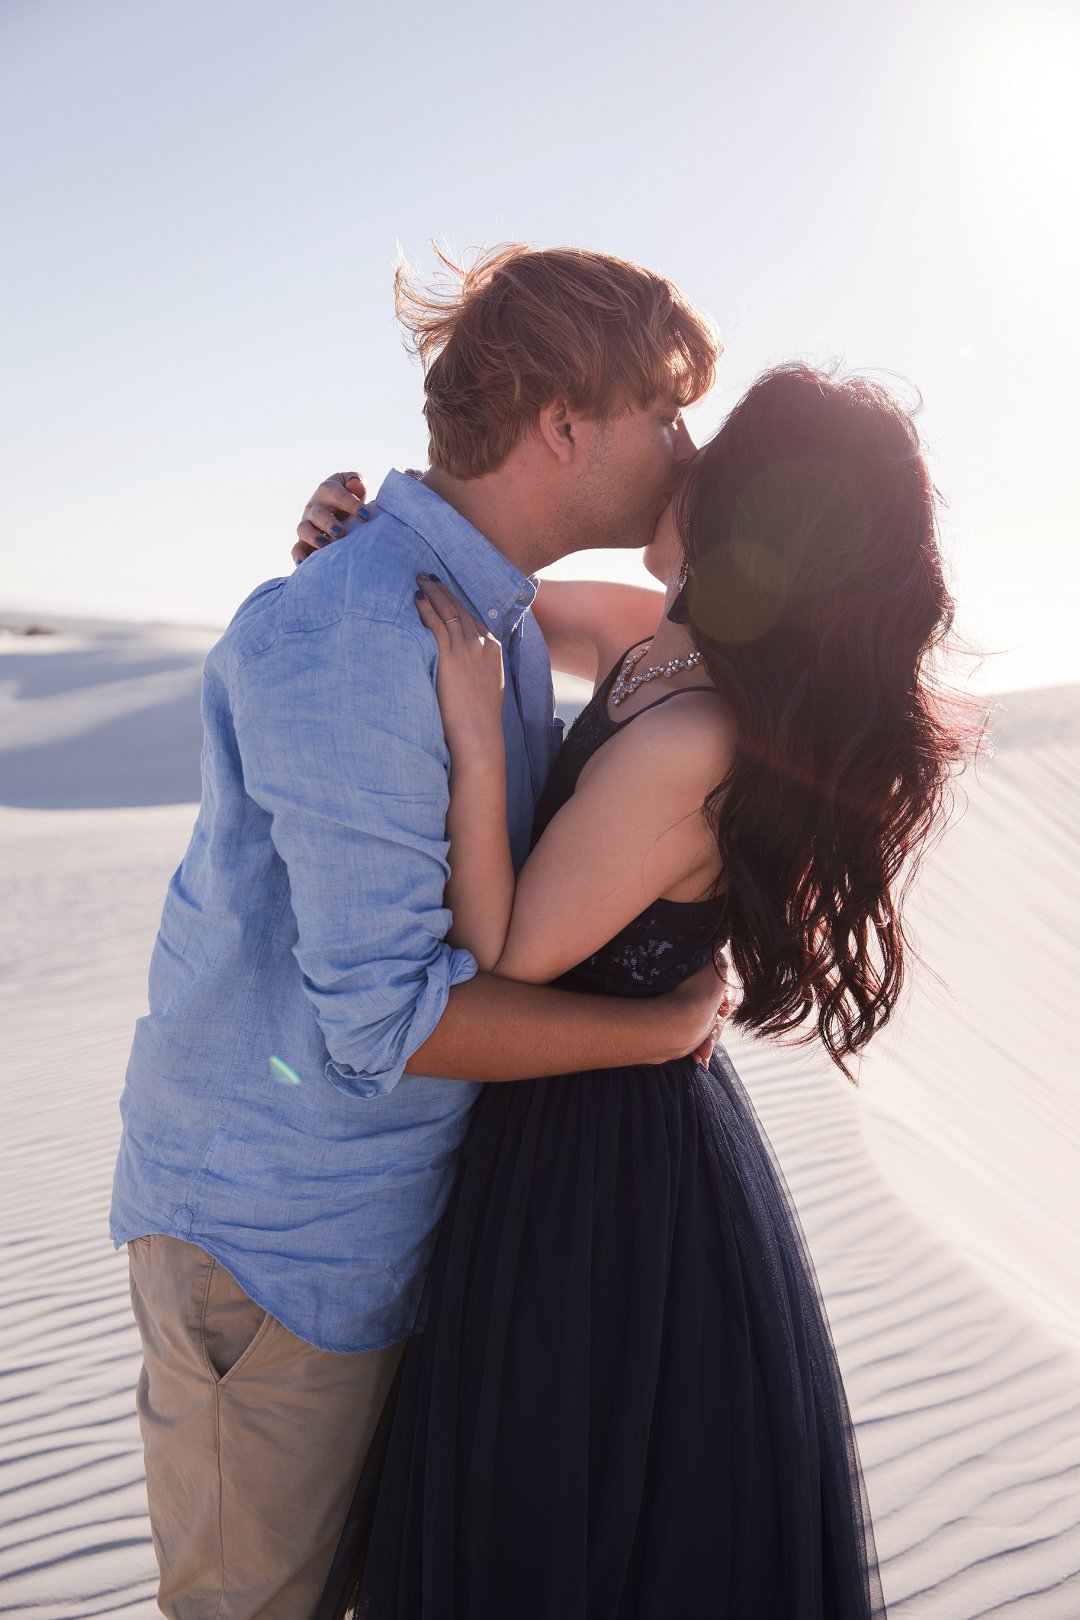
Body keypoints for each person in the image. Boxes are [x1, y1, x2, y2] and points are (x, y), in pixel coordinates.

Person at [110, 244, 729, 1620]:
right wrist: (660, 1032)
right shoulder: (358, 630)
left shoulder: (482, 612)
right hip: (278, 1251)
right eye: (664, 413)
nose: (685, 449)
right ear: (567, 427)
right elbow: (389, 1020)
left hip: (400, 1232)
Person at [307, 363, 972, 1619]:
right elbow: (485, 593)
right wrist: (357, 545)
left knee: (589, 1516)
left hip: (604, 1174)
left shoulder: (694, 739)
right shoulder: (650, 631)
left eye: (705, 454)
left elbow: (504, 951)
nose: (678, 464)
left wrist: (473, 733)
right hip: (595, 1105)